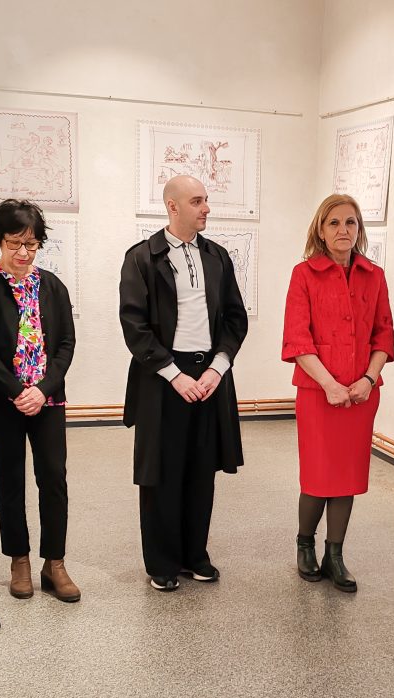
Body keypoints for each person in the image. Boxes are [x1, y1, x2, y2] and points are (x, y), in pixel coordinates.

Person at [119, 175, 248, 591]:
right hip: (162, 379)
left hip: (210, 376)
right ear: (172, 207)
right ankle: (161, 561)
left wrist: (216, 368)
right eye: (197, 201)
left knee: (201, 470)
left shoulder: (218, 257)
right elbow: (134, 325)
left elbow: (235, 319)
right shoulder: (142, 258)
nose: (206, 208)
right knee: (161, 472)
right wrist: (174, 375)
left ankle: (195, 555)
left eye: (206, 200)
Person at [0, 199, 78, 602]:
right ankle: (19, 560)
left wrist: (42, 389)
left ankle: (55, 562)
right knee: (10, 476)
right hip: (2, 399)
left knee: (53, 477)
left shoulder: (53, 286)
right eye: (15, 243)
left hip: (48, 399)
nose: (24, 252)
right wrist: (16, 391)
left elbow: (65, 343)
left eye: (31, 244)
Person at [281, 194, 394, 592]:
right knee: (318, 475)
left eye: (350, 222)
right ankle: (305, 545)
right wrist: (329, 385)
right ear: (321, 230)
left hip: (361, 394)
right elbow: (297, 339)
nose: (343, 230)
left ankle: (335, 554)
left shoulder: (374, 275)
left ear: (359, 229)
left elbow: (384, 334)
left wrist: (368, 379)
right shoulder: (304, 274)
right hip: (318, 394)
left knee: (347, 476)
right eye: (334, 223)